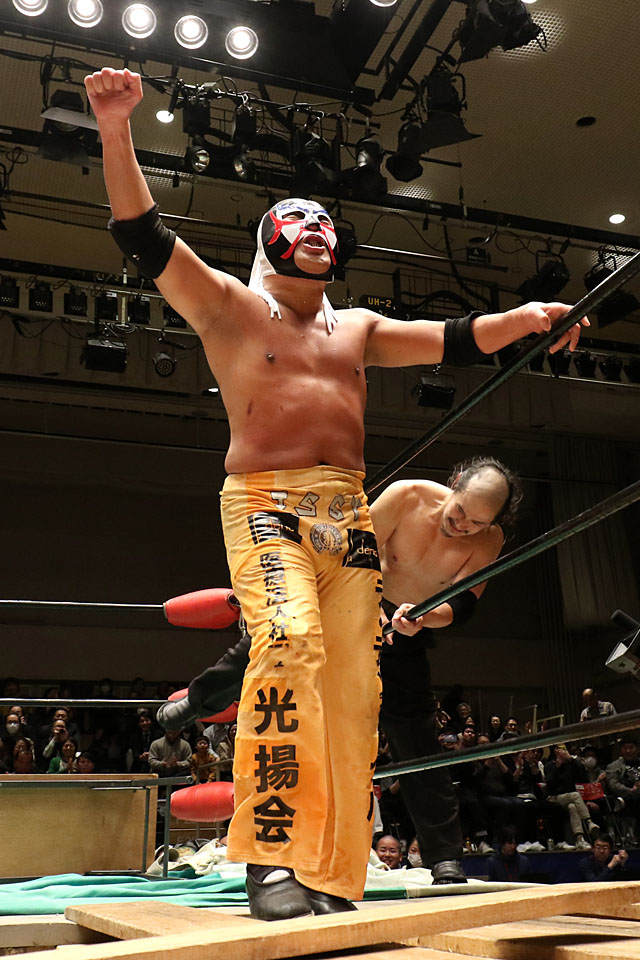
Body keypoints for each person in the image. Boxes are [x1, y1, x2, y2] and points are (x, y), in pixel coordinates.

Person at [85, 65, 586, 921]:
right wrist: (114, 127)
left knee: (356, 690)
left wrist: (532, 317)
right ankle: (269, 859)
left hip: (347, 512)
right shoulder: (231, 308)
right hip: (266, 502)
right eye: (299, 218)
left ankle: (327, 868)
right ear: (269, 240)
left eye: (326, 220)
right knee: (285, 647)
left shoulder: (357, 328)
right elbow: (143, 234)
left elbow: (454, 337)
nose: (318, 227)